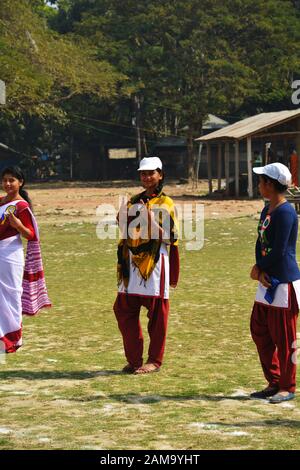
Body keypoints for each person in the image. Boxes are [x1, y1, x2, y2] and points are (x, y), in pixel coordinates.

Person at [113, 156, 180, 374]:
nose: (147, 177)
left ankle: (154, 360)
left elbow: (170, 237)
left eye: (151, 173)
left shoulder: (166, 203)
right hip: (131, 261)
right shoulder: (135, 200)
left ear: (160, 175)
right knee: (123, 308)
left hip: (154, 263)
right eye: (143, 173)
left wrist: (149, 219)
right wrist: (122, 216)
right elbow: (125, 228)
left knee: (158, 314)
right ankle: (134, 359)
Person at [249, 162, 300, 403]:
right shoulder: (266, 210)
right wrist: (259, 269)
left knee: (285, 338)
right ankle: (274, 380)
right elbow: (261, 242)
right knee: (259, 330)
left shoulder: (286, 211)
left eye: (261, 181)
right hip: (267, 277)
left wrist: (260, 268)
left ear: (270, 184)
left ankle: (287, 386)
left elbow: (280, 250)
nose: (259, 185)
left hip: (284, 282)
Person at [0, 166, 51, 353]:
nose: (7, 184)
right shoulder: (1, 201)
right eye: (5, 180)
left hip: (9, 254)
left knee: (12, 295)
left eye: (11, 180)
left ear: (20, 182)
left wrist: (19, 225)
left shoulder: (21, 206)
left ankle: (15, 337)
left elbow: (31, 234)